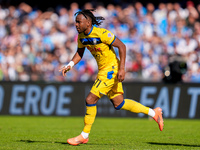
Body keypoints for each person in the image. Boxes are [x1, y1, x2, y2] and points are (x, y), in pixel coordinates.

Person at [59, 9, 164, 146]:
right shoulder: (81, 37)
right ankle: (153, 112)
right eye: (76, 22)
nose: (76, 25)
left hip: (111, 70)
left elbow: (122, 46)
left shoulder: (101, 33)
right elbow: (80, 52)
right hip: (103, 70)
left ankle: (84, 135)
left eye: (79, 22)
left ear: (88, 22)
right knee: (119, 103)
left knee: (90, 99)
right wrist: (70, 64)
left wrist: (122, 68)